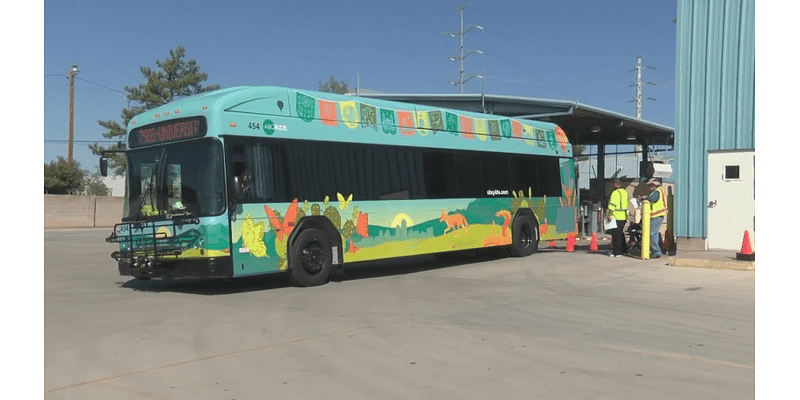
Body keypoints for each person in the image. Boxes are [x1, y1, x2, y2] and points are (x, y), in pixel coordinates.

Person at [641, 178, 667, 258]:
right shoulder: (660, 190)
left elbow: (653, 198)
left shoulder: (657, 192)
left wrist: (645, 198)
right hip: (657, 215)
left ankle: (656, 251)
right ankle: (655, 250)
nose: (649, 187)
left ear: (653, 185)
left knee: (652, 234)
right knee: (653, 233)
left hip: (656, 215)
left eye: (650, 185)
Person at [605, 179, 628, 257]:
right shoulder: (625, 192)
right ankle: (624, 250)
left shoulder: (615, 193)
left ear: (614, 184)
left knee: (616, 235)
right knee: (621, 234)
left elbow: (612, 205)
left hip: (615, 216)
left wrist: (609, 214)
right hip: (623, 216)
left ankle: (618, 252)